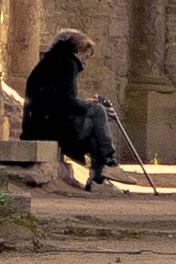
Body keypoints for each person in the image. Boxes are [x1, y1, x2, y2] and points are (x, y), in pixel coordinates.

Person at [21, 27, 130, 189]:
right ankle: (108, 163)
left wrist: (86, 106)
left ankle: (98, 179)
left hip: (40, 124)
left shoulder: (51, 62)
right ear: (78, 50)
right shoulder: (67, 63)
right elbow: (66, 101)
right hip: (47, 127)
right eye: (86, 57)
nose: (85, 62)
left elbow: (59, 99)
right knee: (98, 112)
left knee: (95, 121)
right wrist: (91, 107)